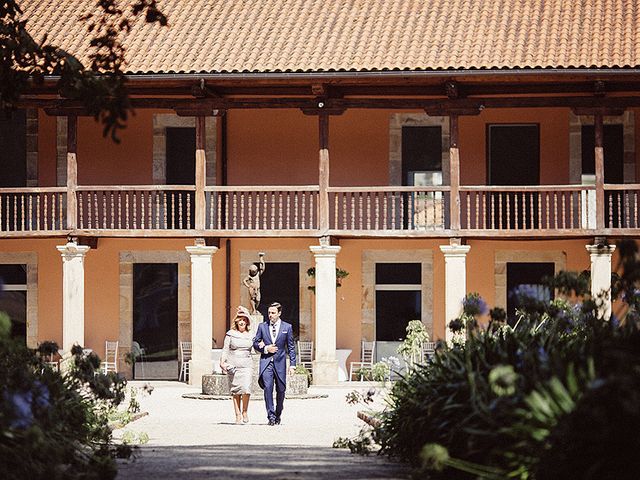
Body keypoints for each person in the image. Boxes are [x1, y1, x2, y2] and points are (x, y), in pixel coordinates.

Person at [253, 302, 296, 425]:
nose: (270, 315)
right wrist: (265, 348)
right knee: (268, 388)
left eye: (273, 313)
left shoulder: (287, 327)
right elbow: (255, 343)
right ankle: (270, 416)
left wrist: (292, 365)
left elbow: (291, 348)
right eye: (269, 313)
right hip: (266, 362)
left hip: (280, 362)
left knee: (281, 390)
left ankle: (278, 413)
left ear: (279, 313)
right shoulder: (262, 326)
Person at [220, 306, 254, 424]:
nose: (242, 322)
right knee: (235, 391)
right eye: (240, 320)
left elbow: (257, 347)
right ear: (236, 321)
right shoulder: (230, 334)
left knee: (246, 389)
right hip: (233, 363)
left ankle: (245, 411)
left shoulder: (251, 335)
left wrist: (247, 312)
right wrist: (222, 362)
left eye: (244, 320)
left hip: (246, 364)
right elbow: (225, 349)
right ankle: (237, 414)